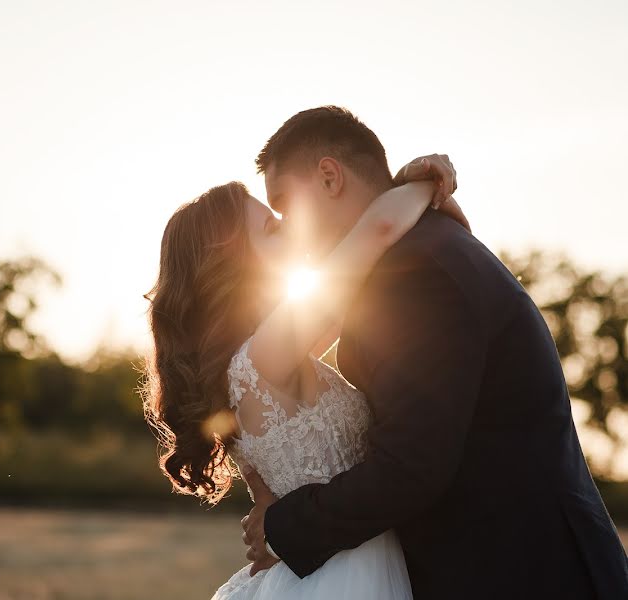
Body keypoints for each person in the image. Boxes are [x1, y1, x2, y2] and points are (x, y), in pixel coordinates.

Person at [237, 106, 628, 599]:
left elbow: (411, 465)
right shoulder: (417, 251)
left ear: (330, 177)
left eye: (286, 206)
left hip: (526, 571)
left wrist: (283, 527)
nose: (290, 228)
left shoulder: (414, 273)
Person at [143, 122, 468, 597]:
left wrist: (431, 201)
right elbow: (376, 228)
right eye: (274, 229)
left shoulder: (259, 359)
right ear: (235, 266)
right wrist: (421, 181)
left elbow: (376, 250)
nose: (293, 230)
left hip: (331, 559)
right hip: (345, 574)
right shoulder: (271, 349)